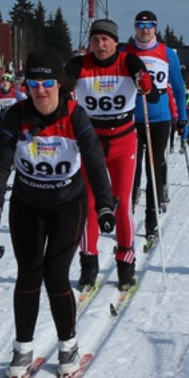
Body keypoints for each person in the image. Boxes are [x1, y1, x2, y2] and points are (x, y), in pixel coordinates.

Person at [0, 48, 115, 378]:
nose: (40, 90)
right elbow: (0, 162)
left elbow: (95, 163)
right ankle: (22, 347)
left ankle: (67, 343)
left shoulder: (75, 116)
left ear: (61, 84)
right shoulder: (16, 116)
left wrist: (104, 204)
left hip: (67, 204)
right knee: (28, 273)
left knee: (56, 275)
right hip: (27, 204)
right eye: (33, 83)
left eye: (47, 83)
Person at [66, 18, 158, 291]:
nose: (100, 45)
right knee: (90, 203)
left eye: (105, 40)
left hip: (123, 142)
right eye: (95, 40)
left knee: (122, 201)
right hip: (91, 142)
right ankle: (89, 262)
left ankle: (125, 262)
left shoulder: (128, 61)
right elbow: (64, 81)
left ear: (116, 42)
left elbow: (147, 86)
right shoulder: (80, 64)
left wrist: (144, 82)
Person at [123, 10, 187, 245]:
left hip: (159, 119)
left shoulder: (168, 53)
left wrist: (182, 118)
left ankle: (151, 221)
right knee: (131, 171)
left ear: (155, 29)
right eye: (140, 25)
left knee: (153, 169)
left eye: (149, 25)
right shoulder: (126, 53)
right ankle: (126, 218)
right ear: (135, 28)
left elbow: (179, 88)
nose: (145, 29)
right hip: (131, 118)